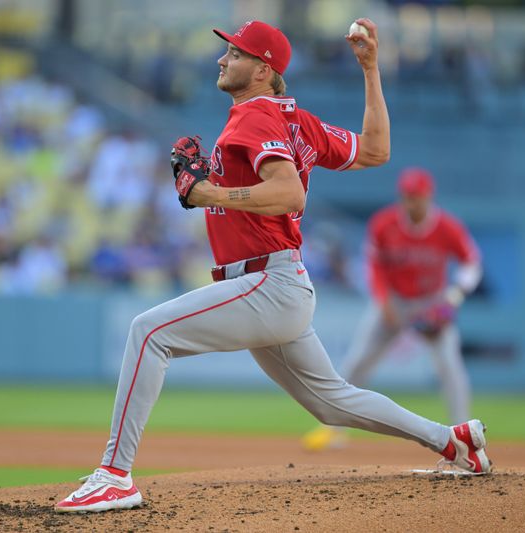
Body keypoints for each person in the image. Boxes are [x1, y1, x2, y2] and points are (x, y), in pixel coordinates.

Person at [55, 19, 491, 514]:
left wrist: (208, 193)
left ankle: (114, 475)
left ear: (263, 69)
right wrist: (371, 69)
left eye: (235, 53)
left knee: (149, 333)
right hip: (276, 285)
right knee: (332, 402)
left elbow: (290, 192)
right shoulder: (296, 120)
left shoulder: (253, 117)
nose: (223, 59)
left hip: (267, 282)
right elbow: (376, 150)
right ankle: (453, 441)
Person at [302, 167, 483, 452]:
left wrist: (453, 297)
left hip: (431, 304)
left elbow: (471, 262)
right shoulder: (384, 224)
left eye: (418, 197)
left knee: (451, 369)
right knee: (358, 361)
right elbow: (373, 266)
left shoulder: (447, 227)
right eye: (408, 197)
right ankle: (333, 430)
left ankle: (465, 435)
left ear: (428, 196)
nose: (413, 203)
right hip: (394, 301)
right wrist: (383, 299)